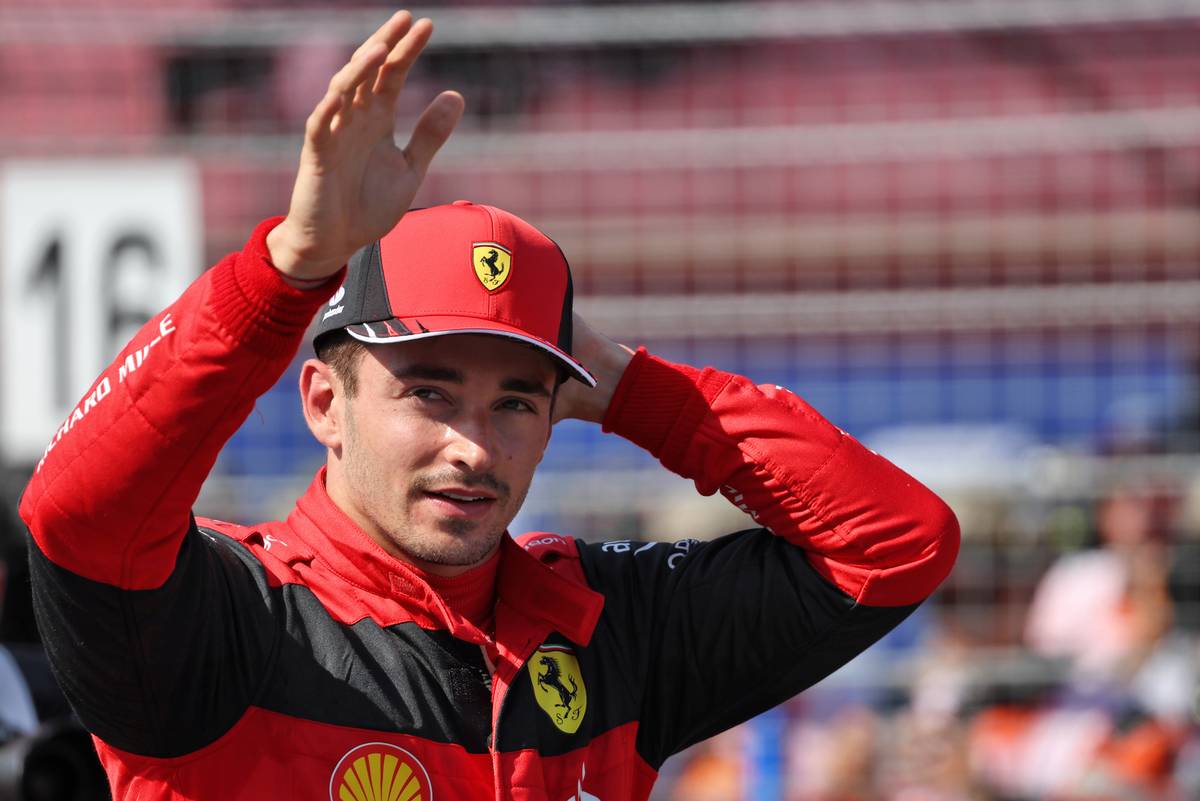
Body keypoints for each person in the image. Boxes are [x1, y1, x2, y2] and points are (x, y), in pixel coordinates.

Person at [18, 11, 960, 801]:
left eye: (516, 401)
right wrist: (284, 274)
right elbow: (77, 513)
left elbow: (896, 542)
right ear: (323, 402)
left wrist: (635, 387)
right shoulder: (233, 618)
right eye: (428, 392)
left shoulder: (607, 621)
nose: (473, 444)